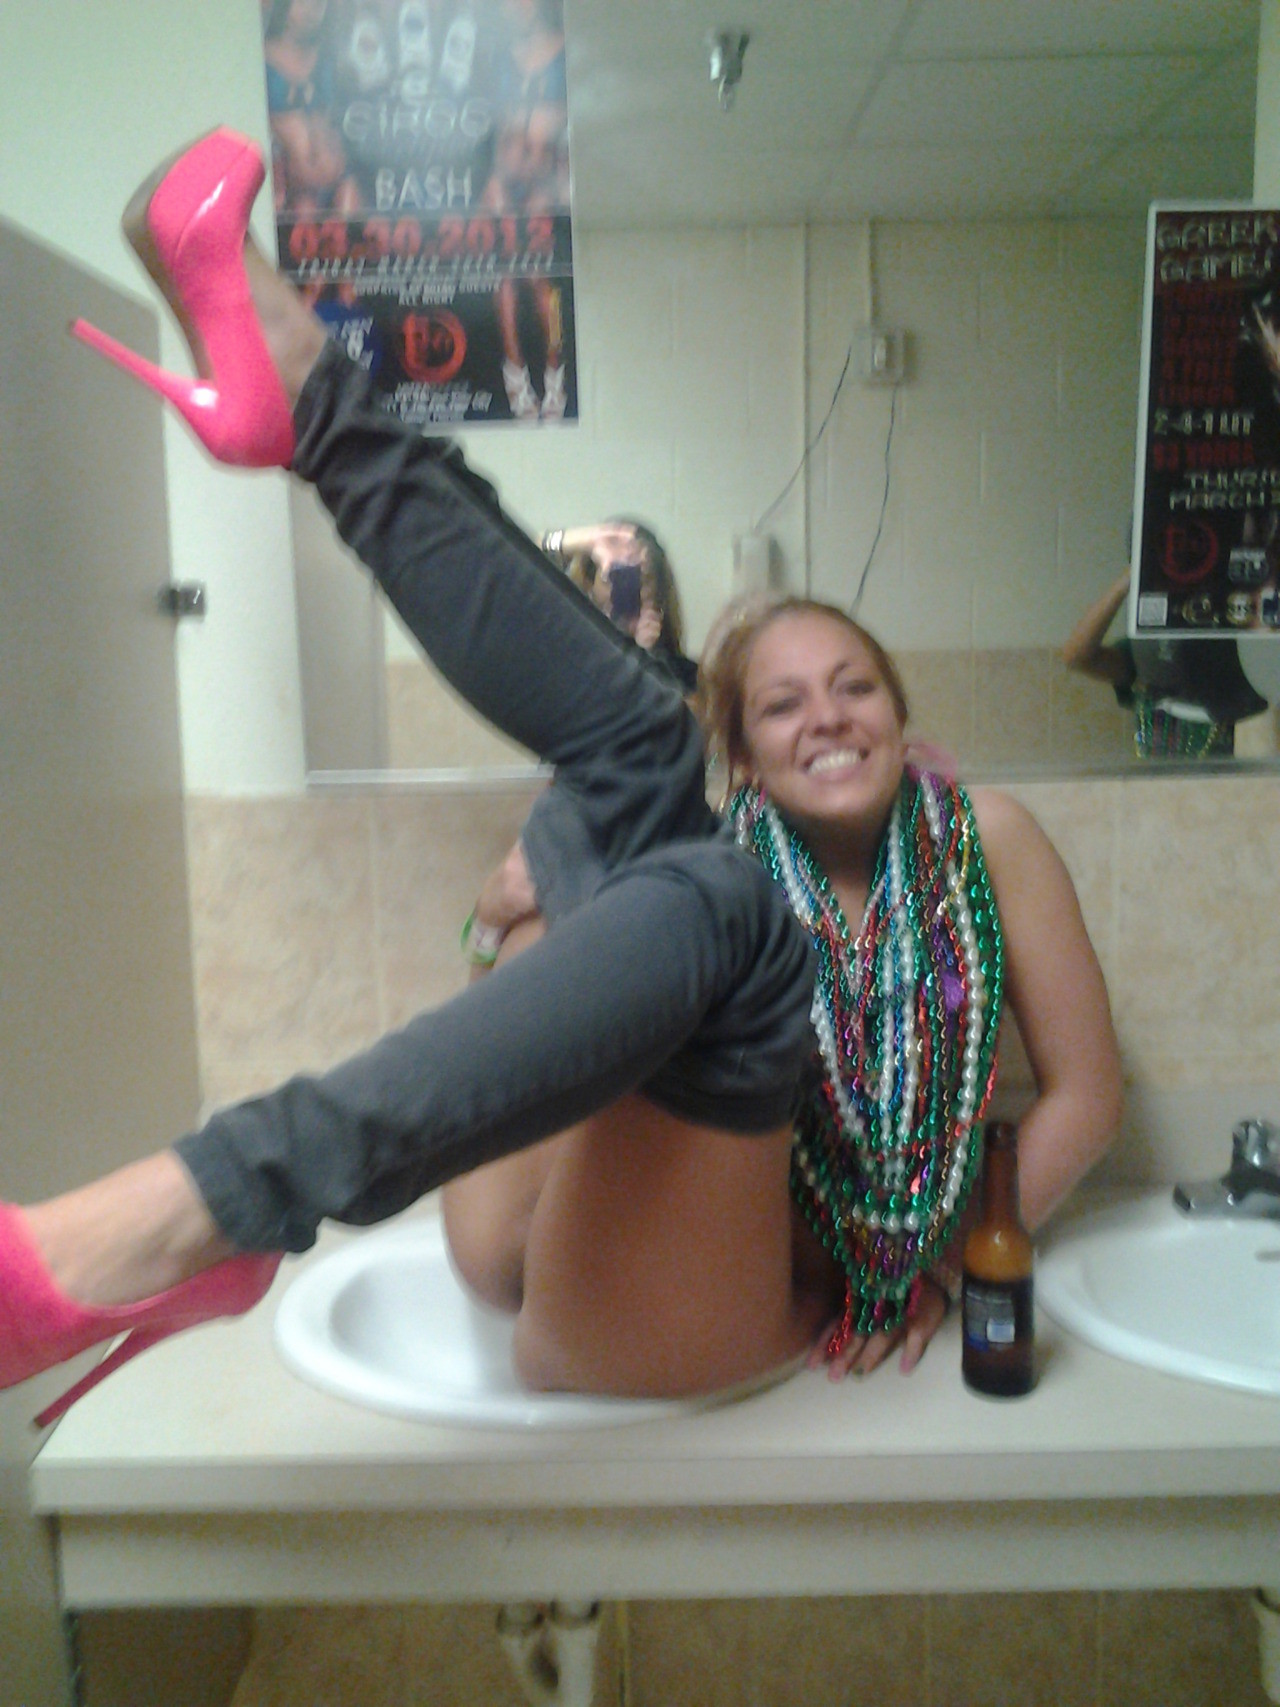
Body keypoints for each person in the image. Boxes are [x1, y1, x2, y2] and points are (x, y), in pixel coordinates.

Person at [3, 128, 1121, 1428]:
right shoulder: (713, 851)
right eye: (781, 702)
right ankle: (306, 401)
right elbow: (551, 1008)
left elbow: (1086, 1094)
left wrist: (944, 1251)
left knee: (717, 893)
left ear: (902, 707)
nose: (825, 716)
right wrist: (501, 928)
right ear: (748, 752)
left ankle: (204, 1207)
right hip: (539, 1226)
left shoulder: (977, 840)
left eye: (854, 686)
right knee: (654, 777)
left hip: (745, 1283)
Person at [1062, 570, 1268, 759]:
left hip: (1247, 755)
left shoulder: (1246, 622)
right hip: (1184, 774)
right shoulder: (1153, 652)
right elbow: (1078, 657)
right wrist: (1128, 580)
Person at [541, 519, 698, 693]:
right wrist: (585, 539)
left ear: (657, 590)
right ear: (590, 583)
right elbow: (518, 566)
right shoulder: (567, 654)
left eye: (639, 579)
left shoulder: (686, 676)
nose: (625, 589)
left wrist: (647, 660)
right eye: (614, 577)